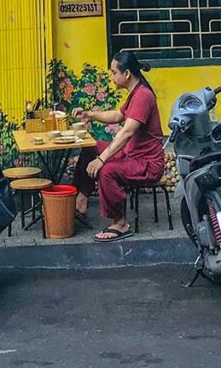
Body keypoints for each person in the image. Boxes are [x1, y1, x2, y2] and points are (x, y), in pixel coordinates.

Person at [69, 51, 165, 243]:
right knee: (91, 146)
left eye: (114, 73)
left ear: (127, 74)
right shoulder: (135, 93)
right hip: (132, 156)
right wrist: (89, 114)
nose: (112, 77)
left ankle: (120, 223)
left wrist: (102, 158)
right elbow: (116, 116)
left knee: (107, 170)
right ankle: (82, 199)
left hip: (147, 164)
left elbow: (127, 132)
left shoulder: (143, 96)